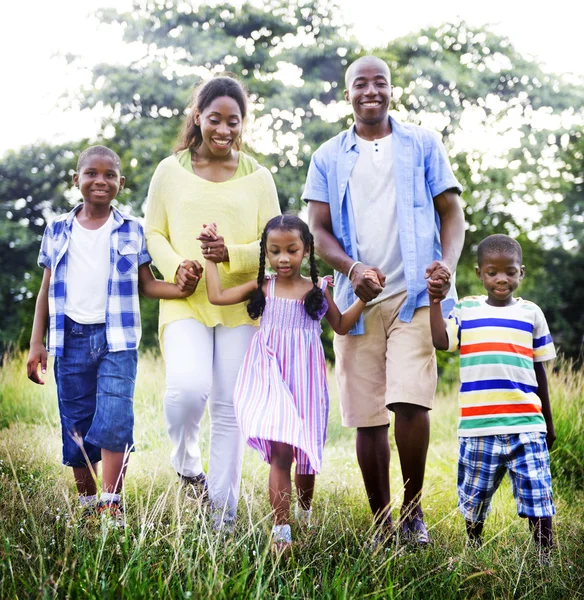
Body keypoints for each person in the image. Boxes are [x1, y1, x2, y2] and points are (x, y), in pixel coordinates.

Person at [303, 55, 466, 545]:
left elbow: (452, 214)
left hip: (416, 295)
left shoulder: (423, 143)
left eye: (380, 83)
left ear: (392, 90)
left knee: (410, 401)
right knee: (368, 413)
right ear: (347, 93)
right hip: (358, 299)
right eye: (360, 84)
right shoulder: (328, 156)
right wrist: (352, 269)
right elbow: (316, 230)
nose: (371, 91)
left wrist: (448, 268)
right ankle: (381, 522)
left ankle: (414, 514)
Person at [26, 145, 197, 527]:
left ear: (120, 183)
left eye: (108, 175)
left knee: (116, 417)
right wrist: (37, 343)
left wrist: (183, 288)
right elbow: (45, 289)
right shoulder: (56, 229)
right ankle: (88, 505)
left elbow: (148, 286)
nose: (99, 181)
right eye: (91, 174)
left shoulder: (132, 229)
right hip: (68, 339)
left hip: (117, 339)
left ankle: (111, 503)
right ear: (76, 180)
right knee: (77, 423)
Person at [144, 75, 281, 530]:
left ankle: (223, 518)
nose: (224, 130)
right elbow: (153, 232)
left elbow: (276, 244)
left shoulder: (259, 178)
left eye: (234, 121)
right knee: (186, 390)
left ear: (243, 124)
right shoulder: (170, 170)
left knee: (228, 408)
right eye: (215, 119)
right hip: (186, 303)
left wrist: (233, 255)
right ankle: (187, 464)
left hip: (240, 305)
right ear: (198, 117)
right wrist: (176, 265)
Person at [201, 215, 380, 550]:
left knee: (305, 452)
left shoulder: (318, 289)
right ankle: (281, 531)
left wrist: (364, 300)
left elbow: (340, 325)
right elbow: (217, 296)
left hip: (307, 377)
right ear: (265, 254)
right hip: (271, 374)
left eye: (291, 250)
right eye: (275, 251)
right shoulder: (262, 286)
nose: (283, 258)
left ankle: (305, 514)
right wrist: (211, 259)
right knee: (282, 451)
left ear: (306, 250)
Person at [429, 234, 556, 556]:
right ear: (479, 273)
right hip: (478, 426)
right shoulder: (466, 309)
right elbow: (442, 343)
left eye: (510, 272)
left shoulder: (532, 313)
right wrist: (434, 302)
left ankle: (545, 554)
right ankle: (473, 544)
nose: (501, 279)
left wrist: (548, 423)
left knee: (538, 493)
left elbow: (540, 370)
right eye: (492, 272)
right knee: (475, 496)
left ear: (521, 273)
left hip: (526, 423)